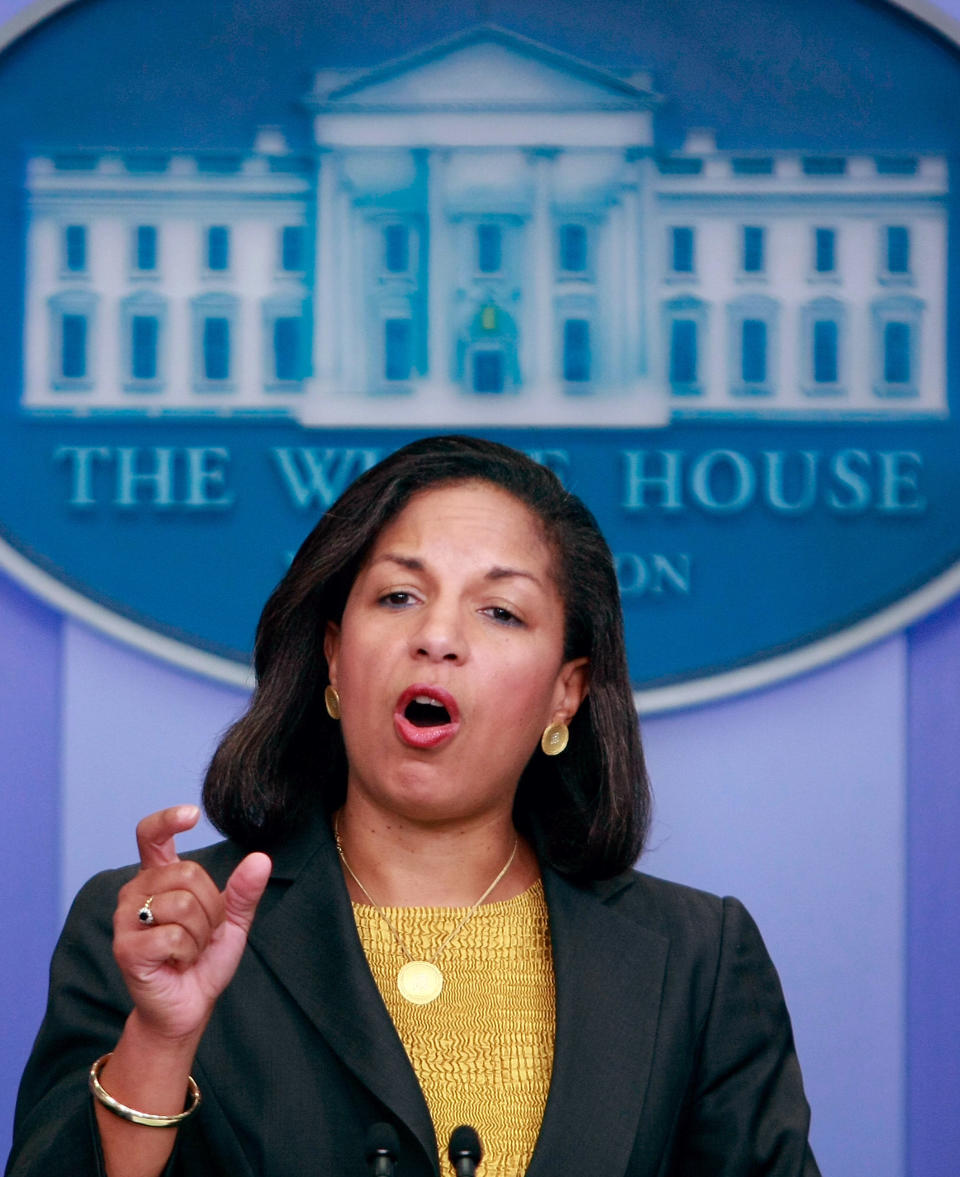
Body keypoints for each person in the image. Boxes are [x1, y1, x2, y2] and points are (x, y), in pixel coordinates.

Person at [6, 435, 820, 1177]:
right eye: (398, 596)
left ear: (564, 695)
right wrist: (158, 1040)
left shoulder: (697, 962)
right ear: (332, 654)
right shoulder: (162, 935)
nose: (438, 636)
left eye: (499, 610)